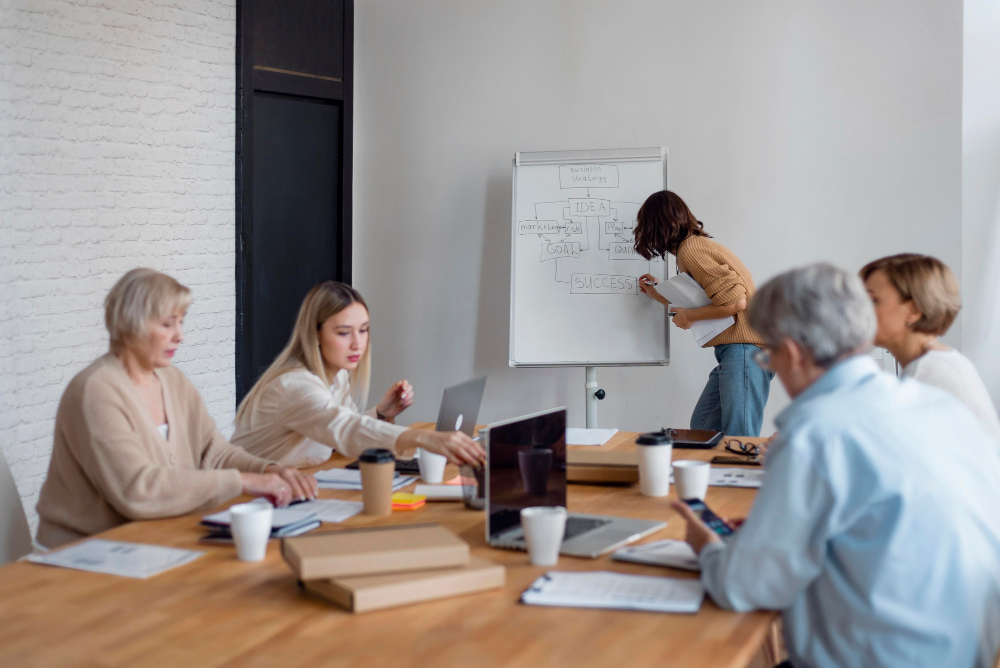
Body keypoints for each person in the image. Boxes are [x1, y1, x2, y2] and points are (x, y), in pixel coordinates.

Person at [670, 263, 1000, 668]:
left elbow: (746, 586)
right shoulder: (936, 405)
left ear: (791, 353)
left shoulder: (816, 434)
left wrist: (709, 549)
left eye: (766, 354)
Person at [35, 269, 316, 550]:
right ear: (133, 325)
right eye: (168, 324)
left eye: (181, 322)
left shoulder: (174, 381)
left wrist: (270, 470)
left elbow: (215, 453)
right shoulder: (95, 391)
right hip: (84, 555)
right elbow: (138, 491)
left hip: (155, 544)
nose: (180, 336)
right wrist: (244, 481)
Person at [232, 281, 484, 467]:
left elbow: (339, 428)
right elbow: (344, 429)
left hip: (292, 483)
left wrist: (381, 413)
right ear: (315, 334)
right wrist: (423, 438)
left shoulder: (337, 375)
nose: (357, 344)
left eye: (363, 330)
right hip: (243, 499)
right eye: (343, 333)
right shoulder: (295, 386)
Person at [633, 191, 773, 436]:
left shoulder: (691, 250)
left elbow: (735, 302)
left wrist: (688, 317)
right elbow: (706, 298)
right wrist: (656, 292)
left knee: (739, 437)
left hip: (745, 350)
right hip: (740, 351)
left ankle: (736, 474)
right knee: (704, 425)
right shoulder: (696, 247)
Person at [861, 253, 1000, 445]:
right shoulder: (943, 361)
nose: (859, 310)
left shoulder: (927, 376)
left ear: (914, 311)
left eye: (872, 300)